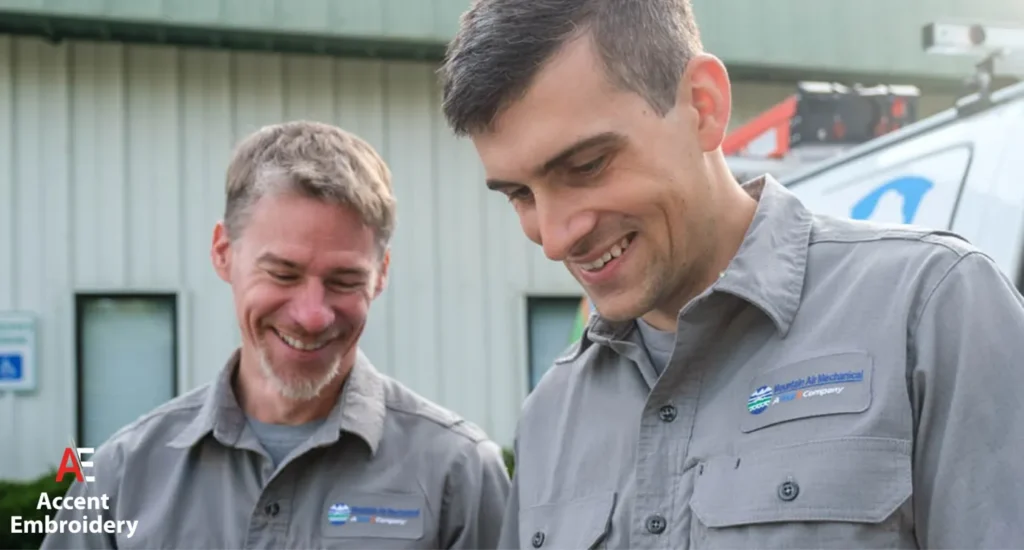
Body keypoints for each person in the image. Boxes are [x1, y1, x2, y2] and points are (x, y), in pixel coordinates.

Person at [439, 1, 1024, 548]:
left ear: (704, 104)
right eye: (519, 194)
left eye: (587, 166)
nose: (555, 235)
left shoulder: (933, 311)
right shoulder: (552, 412)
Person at [41, 121, 511, 549]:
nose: (312, 315)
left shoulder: (459, 474)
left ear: (381, 274)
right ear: (223, 252)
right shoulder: (119, 475)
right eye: (283, 274)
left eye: (344, 281)